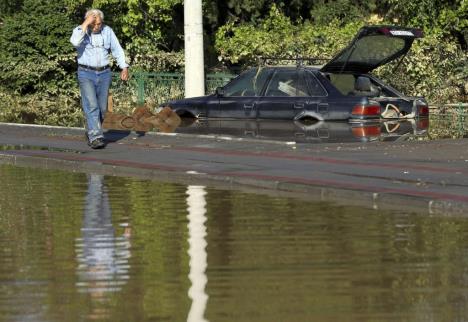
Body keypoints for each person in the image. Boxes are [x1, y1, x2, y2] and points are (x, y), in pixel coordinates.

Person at [70, 9, 129, 149]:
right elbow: (74, 42)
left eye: (99, 24)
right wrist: (86, 24)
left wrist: (124, 67)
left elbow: (117, 49)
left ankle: (91, 131)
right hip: (85, 73)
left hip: (104, 73)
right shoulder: (80, 30)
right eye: (94, 24)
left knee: (102, 109)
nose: (97, 27)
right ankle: (96, 137)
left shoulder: (107, 31)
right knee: (92, 105)